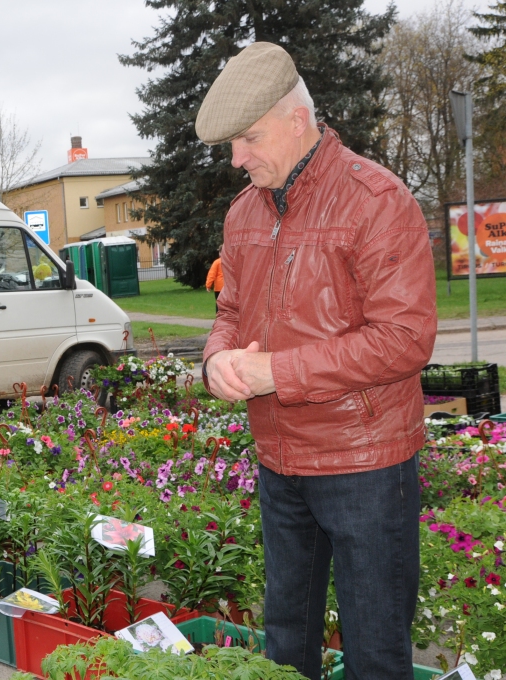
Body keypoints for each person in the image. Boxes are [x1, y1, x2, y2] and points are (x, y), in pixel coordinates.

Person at [197, 43, 436, 680]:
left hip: (368, 465)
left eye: (248, 138)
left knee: (375, 650)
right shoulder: (244, 211)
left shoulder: (376, 200)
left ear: (296, 119)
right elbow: (229, 315)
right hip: (280, 462)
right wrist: (217, 359)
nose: (237, 158)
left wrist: (280, 372)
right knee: (285, 644)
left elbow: (406, 338)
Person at [205, 245, 224, 312]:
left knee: (219, 303)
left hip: (219, 287)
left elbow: (212, 274)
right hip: (229, 287)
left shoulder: (217, 262)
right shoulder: (231, 262)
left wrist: (208, 285)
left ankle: (219, 317)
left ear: (221, 253)